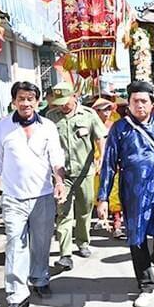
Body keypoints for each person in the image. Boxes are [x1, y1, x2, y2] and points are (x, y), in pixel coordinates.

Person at [97, 80, 154, 307]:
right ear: (129, 103)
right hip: (133, 191)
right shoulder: (120, 129)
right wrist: (103, 197)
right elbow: (108, 164)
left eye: (144, 101)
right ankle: (146, 286)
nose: (139, 105)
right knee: (137, 236)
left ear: (151, 103)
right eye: (135, 101)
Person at [0, 81, 67, 307]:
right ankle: (16, 294)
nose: (25, 103)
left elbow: (57, 157)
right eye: (21, 98)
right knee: (15, 243)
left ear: (37, 101)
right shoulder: (2, 127)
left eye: (30, 98)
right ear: (14, 101)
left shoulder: (48, 127)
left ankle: (40, 277)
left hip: (42, 195)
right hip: (13, 197)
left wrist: (59, 182)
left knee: (41, 242)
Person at [46, 82, 107, 271]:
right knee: (63, 212)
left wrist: (102, 160)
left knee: (85, 208)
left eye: (66, 101)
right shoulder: (50, 117)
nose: (63, 106)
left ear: (75, 96)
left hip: (85, 172)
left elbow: (100, 139)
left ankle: (82, 242)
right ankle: (65, 254)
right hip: (61, 175)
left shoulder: (88, 115)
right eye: (59, 102)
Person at [92, 97, 125, 238]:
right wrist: (95, 161)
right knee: (98, 194)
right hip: (96, 164)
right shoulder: (90, 126)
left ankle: (117, 225)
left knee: (115, 194)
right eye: (101, 110)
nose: (105, 113)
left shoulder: (115, 126)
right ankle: (103, 220)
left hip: (113, 164)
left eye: (108, 109)